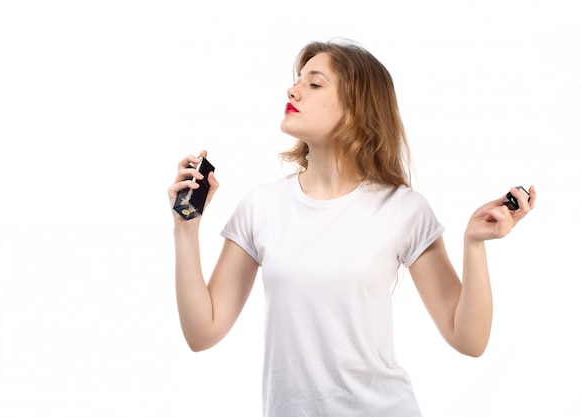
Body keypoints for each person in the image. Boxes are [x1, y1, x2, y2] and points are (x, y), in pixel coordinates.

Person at [168, 39, 536, 417]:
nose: (293, 90)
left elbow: (469, 340)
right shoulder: (261, 206)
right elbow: (202, 333)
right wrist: (186, 228)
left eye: (314, 84)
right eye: (297, 80)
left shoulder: (403, 209)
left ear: (357, 107)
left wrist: (473, 245)